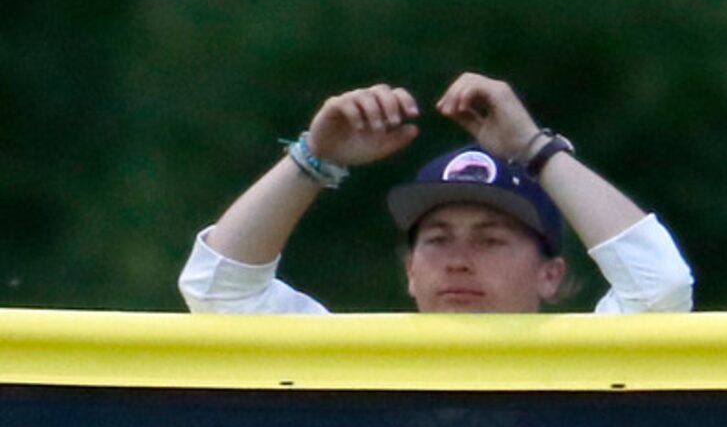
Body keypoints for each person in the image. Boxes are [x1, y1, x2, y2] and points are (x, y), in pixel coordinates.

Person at [179, 72, 693, 317]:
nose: (458, 262)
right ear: (409, 270)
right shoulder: (360, 368)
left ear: (550, 274)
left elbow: (661, 289)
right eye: (438, 240)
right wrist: (312, 158)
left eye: (491, 240)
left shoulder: (593, 368)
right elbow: (219, 292)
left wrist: (535, 150)